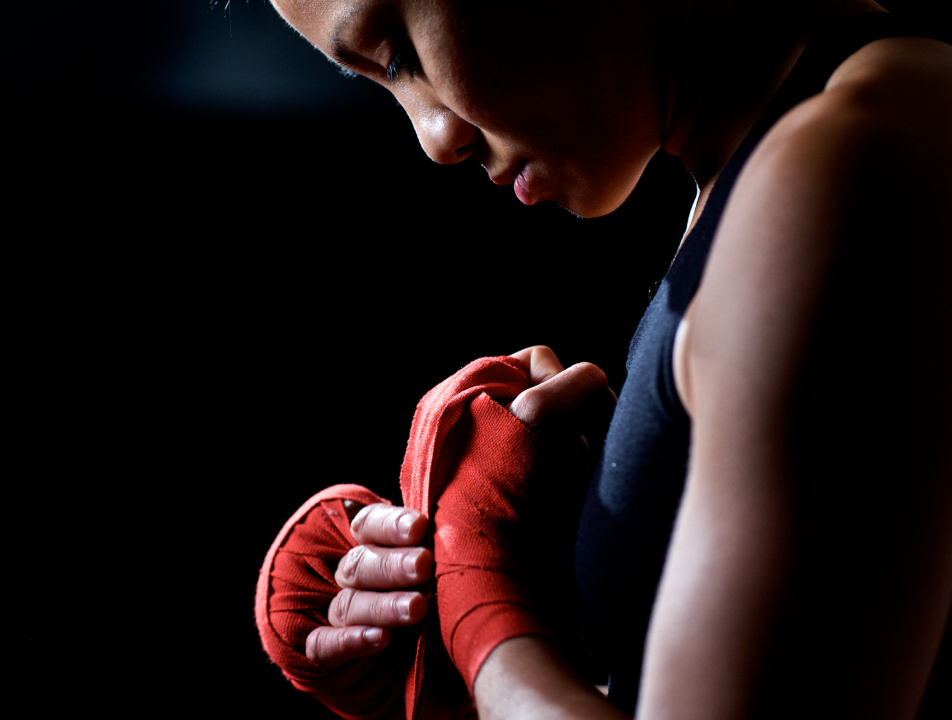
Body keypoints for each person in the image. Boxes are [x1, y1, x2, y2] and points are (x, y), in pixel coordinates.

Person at [257, 0, 952, 718]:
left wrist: (479, 598)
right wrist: (543, 584)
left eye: (399, 52)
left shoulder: (838, 174)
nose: (434, 138)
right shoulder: (784, 161)